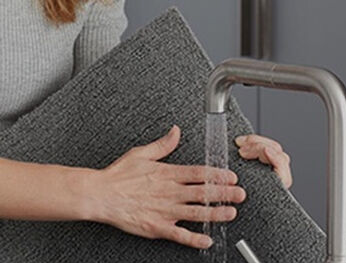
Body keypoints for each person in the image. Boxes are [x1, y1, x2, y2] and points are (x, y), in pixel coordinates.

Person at [0, 0, 292, 249]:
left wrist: (237, 169)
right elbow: (106, 190)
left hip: (47, 223)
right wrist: (100, 193)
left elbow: (106, 103)